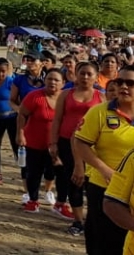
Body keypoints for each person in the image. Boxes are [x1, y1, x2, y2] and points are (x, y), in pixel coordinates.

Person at [74, 65, 134, 254]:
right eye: (119, 82)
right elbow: (80, 143)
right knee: (104, 244)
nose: (124, 87)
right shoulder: (99, 112)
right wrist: (103, 169)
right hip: (105, 189)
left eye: (130, 83)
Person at [51, 60, 102, 234]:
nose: (85, 77)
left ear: (96, 77)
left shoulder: (101, 97)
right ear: (76, 74)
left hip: (92, 146)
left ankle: (93, 219)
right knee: (74, 181)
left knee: (93, 183)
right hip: (66, 143)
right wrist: (53, 143)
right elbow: (57, 119)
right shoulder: (66, 94)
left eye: (89, 74)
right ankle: (78, 220)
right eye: (82, 73)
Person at [18, 68, 65, 213]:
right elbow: (22, 115)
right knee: (33, 172)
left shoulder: (66, 98)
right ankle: (33, 200)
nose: (52, 82)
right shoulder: (34, 96)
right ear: (44, 80)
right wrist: (20, 134)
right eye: (49, 79)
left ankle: (53, 196)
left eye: (56, 80)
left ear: (63, 83)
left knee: (55, 172)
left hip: (57, 144)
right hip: (34, 142)